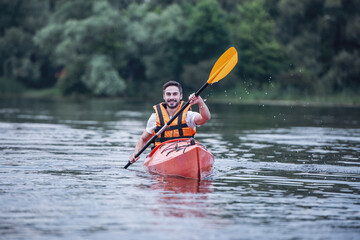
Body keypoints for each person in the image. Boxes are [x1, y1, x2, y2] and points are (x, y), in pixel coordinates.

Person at [129, 80, 211, 164]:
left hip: (185, 150)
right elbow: (143, 139)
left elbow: (205, 118)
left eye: (175, 94)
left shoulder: (188, 115)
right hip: (161, 154)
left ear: (181, 96)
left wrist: (200, 101)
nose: (171, 97)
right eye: (168, 94)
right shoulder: (155, 117)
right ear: (164, 96)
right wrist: (136, 153)